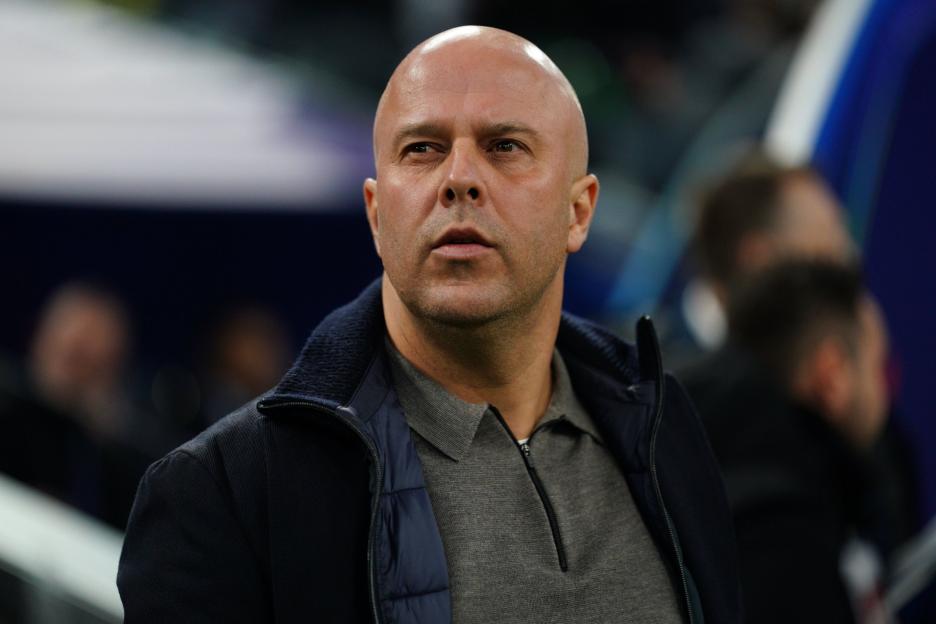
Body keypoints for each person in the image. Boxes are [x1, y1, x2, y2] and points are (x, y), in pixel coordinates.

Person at [118, 26, 741, 623]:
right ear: (377, 214)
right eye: (423, 149)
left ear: (578, 213)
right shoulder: (225, 495)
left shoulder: (668, 427)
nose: (460, 179)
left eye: (504, 146)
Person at [689, 260, 890, 623]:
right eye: (878, 367)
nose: (885, 393)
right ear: (833, 376)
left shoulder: (693, 469)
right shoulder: (793, 543)